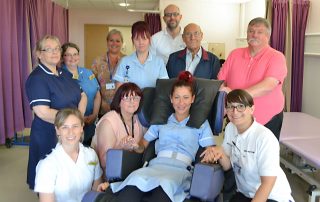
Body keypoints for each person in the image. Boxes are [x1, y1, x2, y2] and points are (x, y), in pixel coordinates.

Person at [109, 71, 216, 202]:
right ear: (171, 98)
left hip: (180, 170)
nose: (181, 102)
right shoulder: (160, 121)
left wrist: (213, 152)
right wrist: (136, 146)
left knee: (164, 188)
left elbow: (210, 150)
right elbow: (142, 146)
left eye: (186, 97)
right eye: (177, 97)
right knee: (132, 184)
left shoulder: (201, 123)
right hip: (155, 166)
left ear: (193, 99)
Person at [202, 89, 294, 202]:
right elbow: (228, 166)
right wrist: (218, 153)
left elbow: (267, 184)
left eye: (241, 106)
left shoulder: (264, 138)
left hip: (271, 196)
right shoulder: (231, 128)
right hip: (245, 193)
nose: (235, 112)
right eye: (230, 106)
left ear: (251, 109)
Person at [25, 35, 87, 190]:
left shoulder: (64, 73)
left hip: (71, 132)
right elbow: (43, 112)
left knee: (70, 177)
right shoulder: (37, 78)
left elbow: (83, 96)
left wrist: (77, 120)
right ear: (39, 54)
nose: (54, 52)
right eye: (48, 49)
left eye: (57, 48)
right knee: (51, 182)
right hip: (49, 134)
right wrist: (73, 122)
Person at [217, 17, 287, 139]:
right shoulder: (235, 54)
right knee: (233, 155)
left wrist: (235, 96)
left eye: (259, 32)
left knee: (262, 157)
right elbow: (221, 81)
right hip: (236, 118)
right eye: (251, 31)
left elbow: (268, 86)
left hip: (267, 120)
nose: (254, 34)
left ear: (268, 36)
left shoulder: (276, 57)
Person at [34, 108, 103, 202]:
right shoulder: (47, 165)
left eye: (75, 126)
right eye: (65, 127)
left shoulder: (91, 156)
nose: (71, 132)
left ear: (82, 128)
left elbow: (96, 189)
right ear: (57, 130)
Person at [91, 82, 146, 178]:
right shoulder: (108, 122)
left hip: (130, 172)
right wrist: (122, 147)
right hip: (107, 178)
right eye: (127, 98)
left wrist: (136, 147)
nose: (132, 101)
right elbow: (103, 162)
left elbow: (143, 149)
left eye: (136, 98)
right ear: (119, 102)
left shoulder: (139, 119)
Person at [61, 42, 101, 146]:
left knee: (89, 152)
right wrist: (80, 118)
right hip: (71, 125)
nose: (72, 57)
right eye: (68, 54)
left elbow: (97, 94)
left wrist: (94, 115)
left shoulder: (88, 73)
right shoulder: (60, 76)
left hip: (91, 122)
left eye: (75, 54)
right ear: (62, 57)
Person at [113, 21, 168, 89]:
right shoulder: (124, 61)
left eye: (144, 38)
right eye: (137, 39)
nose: (141, 42)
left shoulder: (159, 62)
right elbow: (119, 89)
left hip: (153, 99)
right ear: (132, 40)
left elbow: (164, 88)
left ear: (149, 39)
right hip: (130, 99)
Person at [92, 29, 126, 117]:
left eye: (118, 41)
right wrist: (102, 103)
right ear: (107, 42)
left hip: (124, 108)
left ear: (122, 43)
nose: (114, 43)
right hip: (102, 108)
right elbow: (93, 85)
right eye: (111, 40)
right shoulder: (97, 62)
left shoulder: (128, 61)